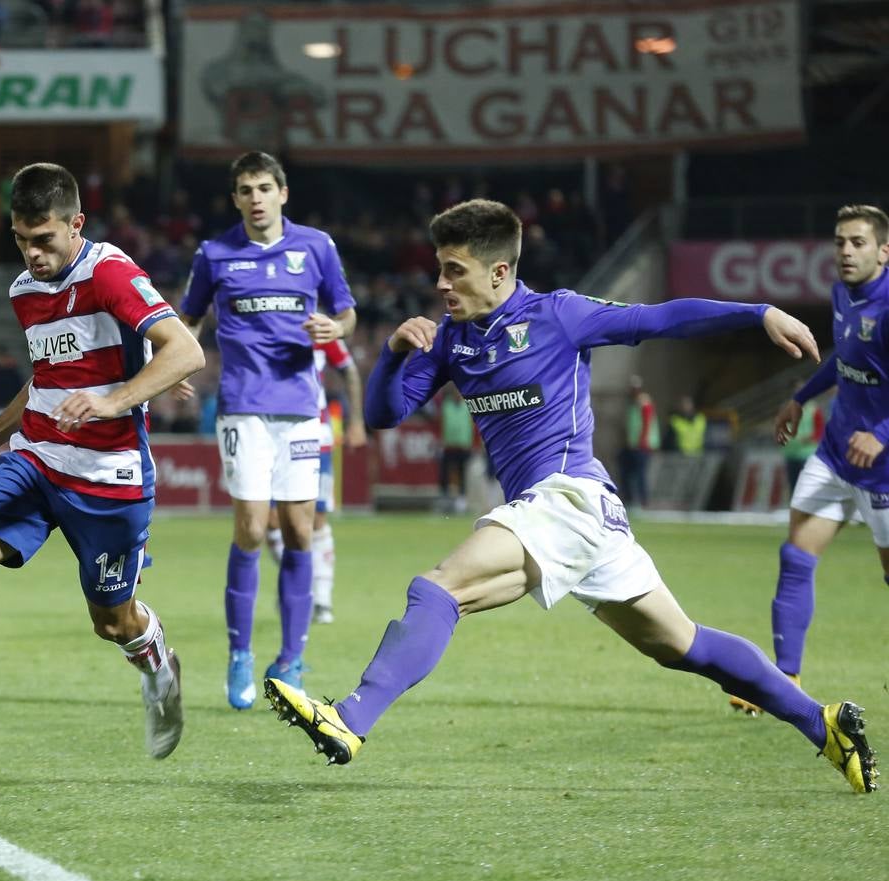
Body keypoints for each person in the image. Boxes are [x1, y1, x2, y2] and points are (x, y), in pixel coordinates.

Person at [264, 198, 878, 793]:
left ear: (499, 271)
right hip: (578, 520)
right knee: (682, 646)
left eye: (456, 269)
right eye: (439, 268)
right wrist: (396, 355)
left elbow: (659, 317)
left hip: (568, 499)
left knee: (438, 587)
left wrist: (757, 314)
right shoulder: (451, 339)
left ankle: (351, 716)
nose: (442, 283)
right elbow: (385, 413)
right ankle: (822, 724)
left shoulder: (559, 315)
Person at [0, 163, 204, 780]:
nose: (32, 253)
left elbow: (185, 350)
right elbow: (45, 381)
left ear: (76, 224)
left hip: (109, 475)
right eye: (21, 239)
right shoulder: (25, 290)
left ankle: (153, 655)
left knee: (111, 621)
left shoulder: (110, 272)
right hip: (36, 458)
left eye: (44, 239)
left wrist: (114, 398)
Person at [179, 151, 356, 709]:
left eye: (264, 188)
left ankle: (292, 659)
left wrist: (334, 325)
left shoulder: (316, 247)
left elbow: (347, 313)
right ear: (235, 199)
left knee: (301, 532)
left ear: (283, 193)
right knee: (253, 528)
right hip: (244, 408)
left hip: (302, 408)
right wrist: (177, 365)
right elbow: (189, 319)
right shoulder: (214, 253)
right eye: (245, 190)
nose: (255, 198)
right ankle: (240, 654)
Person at [730, 204, 889, 717]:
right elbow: (846, 359)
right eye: (840, 241)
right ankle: (786, 679)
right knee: (797, 557)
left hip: (883, 466)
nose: (846, 250)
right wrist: (802, 396)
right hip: (838, 452)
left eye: (858, 242)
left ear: (884, 251)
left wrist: (882, 435)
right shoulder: (843, 293)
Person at [267, 338, 367, 624]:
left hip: (314, 434)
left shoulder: (320, 328)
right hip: (269, 434)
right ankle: (300, 581)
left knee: (316, 518)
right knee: (269, 521)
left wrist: (356, 422)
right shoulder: (263, 321)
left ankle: (321, 598)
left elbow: (349, 370)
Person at [618, 375, 659, 506]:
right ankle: (630, 500)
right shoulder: (633, 404)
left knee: (640, 474)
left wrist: (642, 442)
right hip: (633, 445)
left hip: (642, 446)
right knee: (627, 472)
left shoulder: (643, 402)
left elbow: (646, 423)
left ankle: (643, 502)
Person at [438, 383, 474, 513]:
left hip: (464, 445)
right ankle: (445, 498)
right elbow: (441, 423)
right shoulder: (446, 405)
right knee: (445, 473)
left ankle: (461, 501)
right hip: (449, 445)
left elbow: (472, 426)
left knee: (462, 474)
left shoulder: (467, 406)